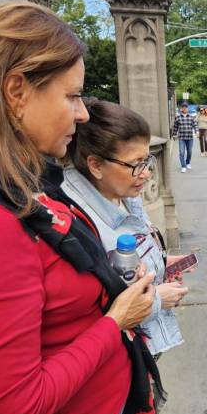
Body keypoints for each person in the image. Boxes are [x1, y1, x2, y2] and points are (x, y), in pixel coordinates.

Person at [0, 3, 162, 414]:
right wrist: (115, 322)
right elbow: (11, 412)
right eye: (71, 96)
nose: (82, 113)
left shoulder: (21, 183)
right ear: (16, 91)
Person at [61, 97, 189, 361]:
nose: (146, 174)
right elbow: (89, 311)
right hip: (116, 360)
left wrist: (161, 263)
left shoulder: (122, 192)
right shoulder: (73, 221)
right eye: (136, 164)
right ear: (95, 165)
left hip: (142, 348)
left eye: (147, 161)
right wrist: (156, 301)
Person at [172, 102, 198, 173]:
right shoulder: (178, 117)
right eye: (183, 107)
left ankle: (188, 162)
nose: (184, 108)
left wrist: (197, 132)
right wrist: (174, 135)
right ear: (181, 109)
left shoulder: (191, 117)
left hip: (190, 138)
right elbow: (175, 127)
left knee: (189, 152)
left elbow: (195, 125)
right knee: (181, 152)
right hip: (181, 138)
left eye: (186, 107)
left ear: (187, 108)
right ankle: (183, 166)